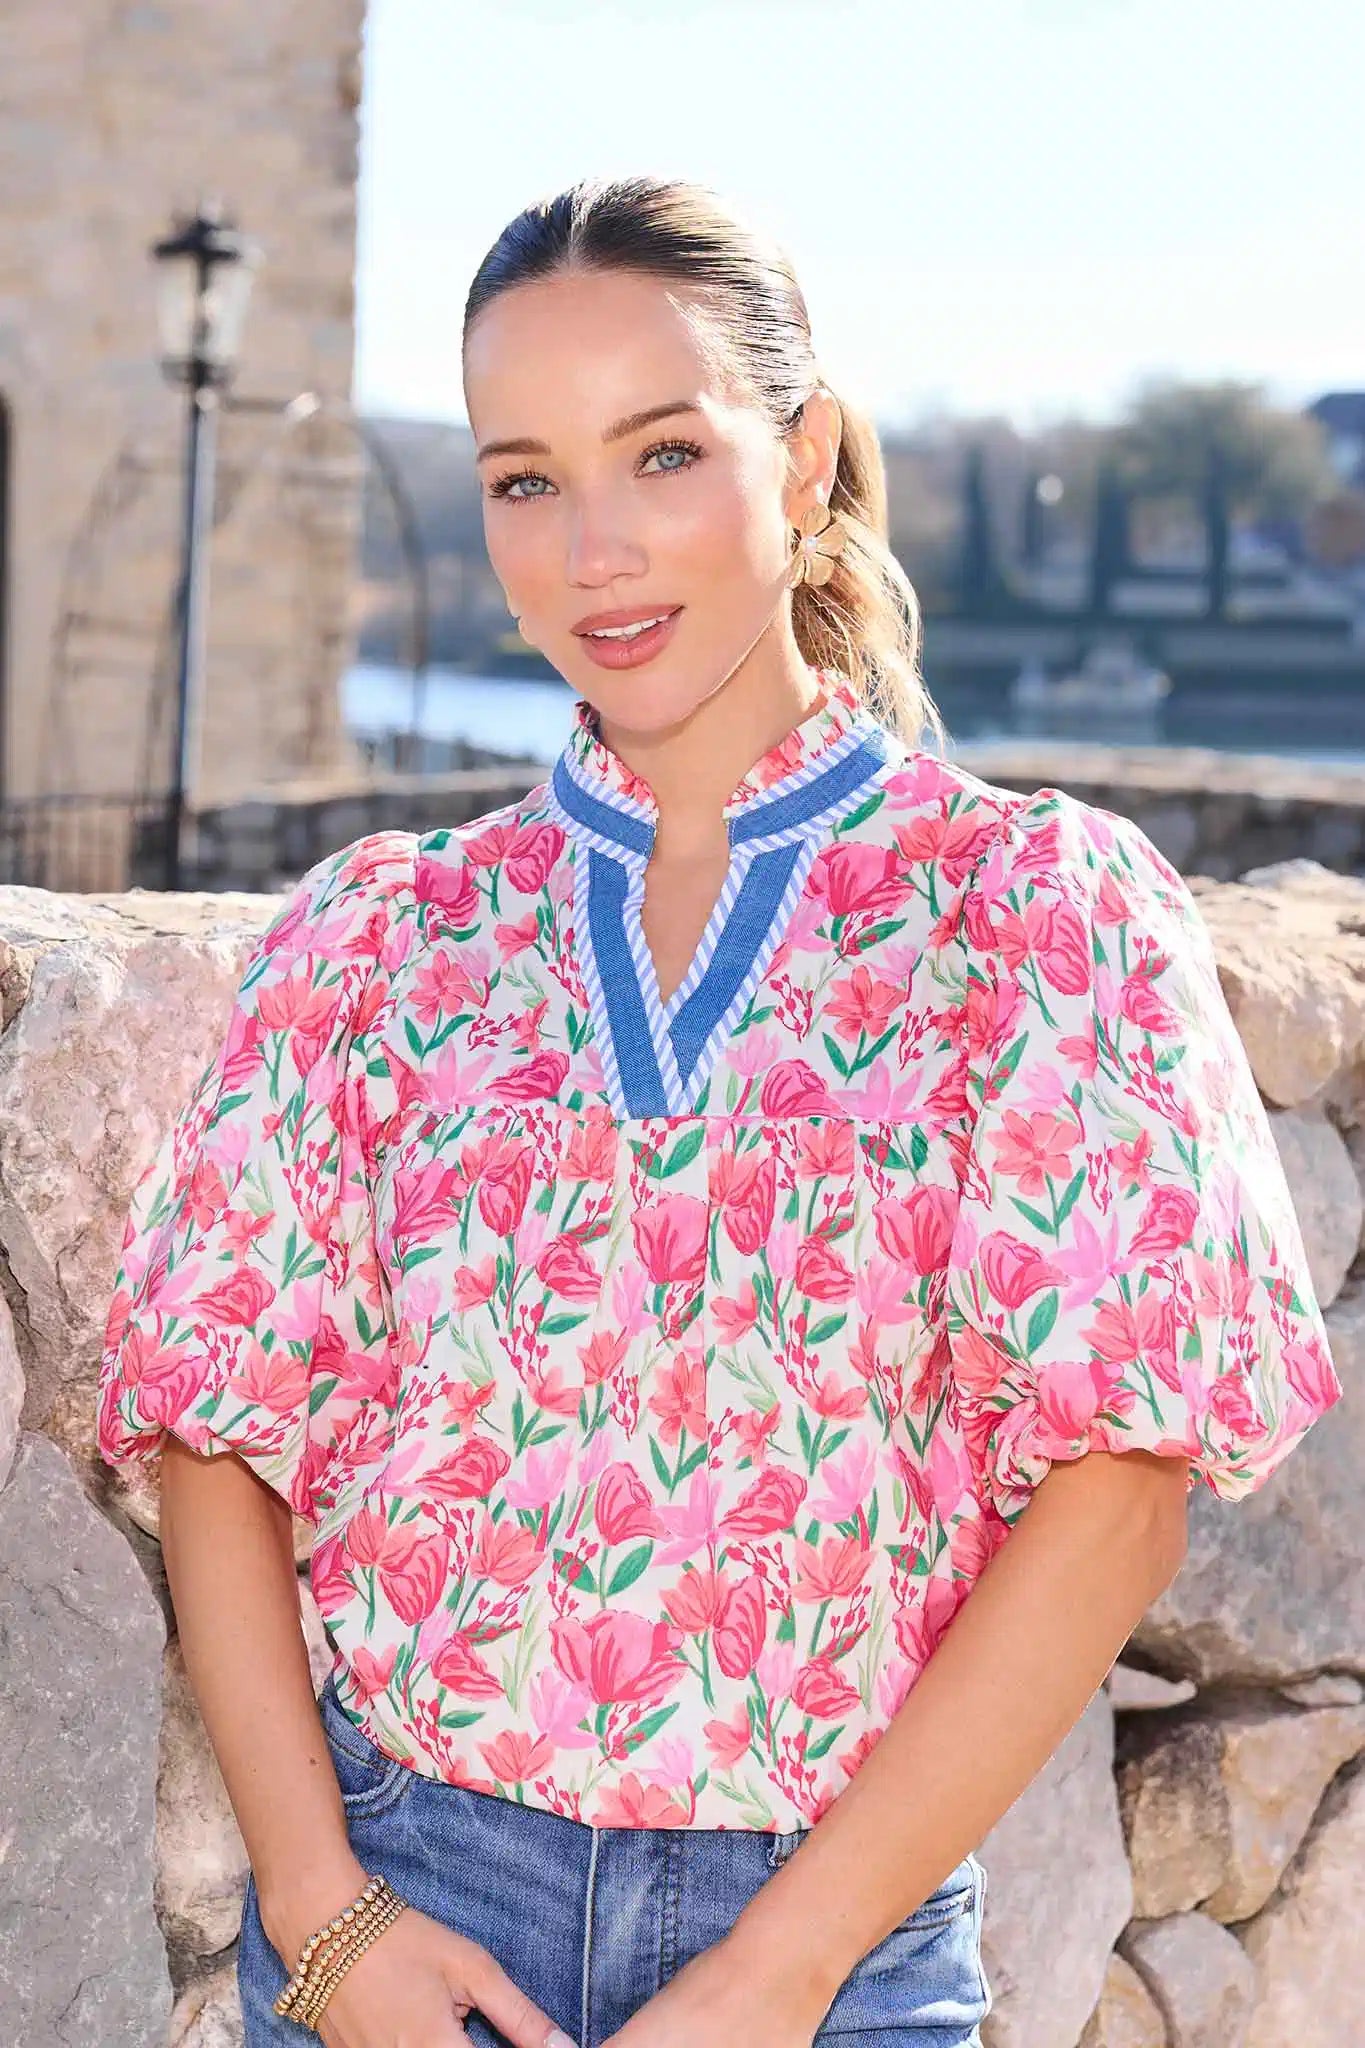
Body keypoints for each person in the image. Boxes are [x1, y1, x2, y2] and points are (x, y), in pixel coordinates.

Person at [97, 175, 1343, 2048]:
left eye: (662, 453)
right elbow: (218, 1436)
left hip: (826, 1947)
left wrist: (775, 1979)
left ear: (810, 457)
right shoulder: (381, 940)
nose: (592, 548)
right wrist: (326, 1919)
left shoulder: (1033, 917)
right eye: (523, 479)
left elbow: (1120, 1497)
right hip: (405, 1919)